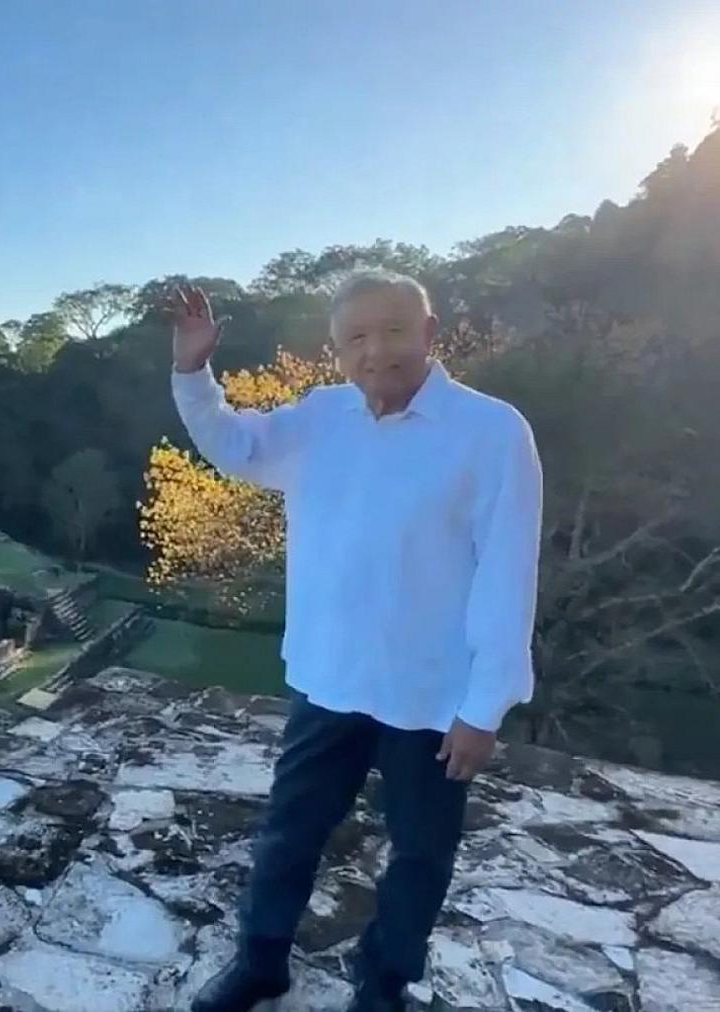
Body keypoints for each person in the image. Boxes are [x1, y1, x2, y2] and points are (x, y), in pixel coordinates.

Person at [169, 271, 542, 1012]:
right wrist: (192, 369)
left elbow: (507, 573)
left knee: (421, 856)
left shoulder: (492, 433)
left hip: (431, 696)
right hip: (330, 679)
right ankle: (261, 962)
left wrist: (485, 707)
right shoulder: (322, 417)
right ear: (337, 350)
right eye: (356, 338)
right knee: (288, 834)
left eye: (394, 330)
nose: (377, 351)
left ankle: (383, 984)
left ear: (429, 333)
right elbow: (236, 444)